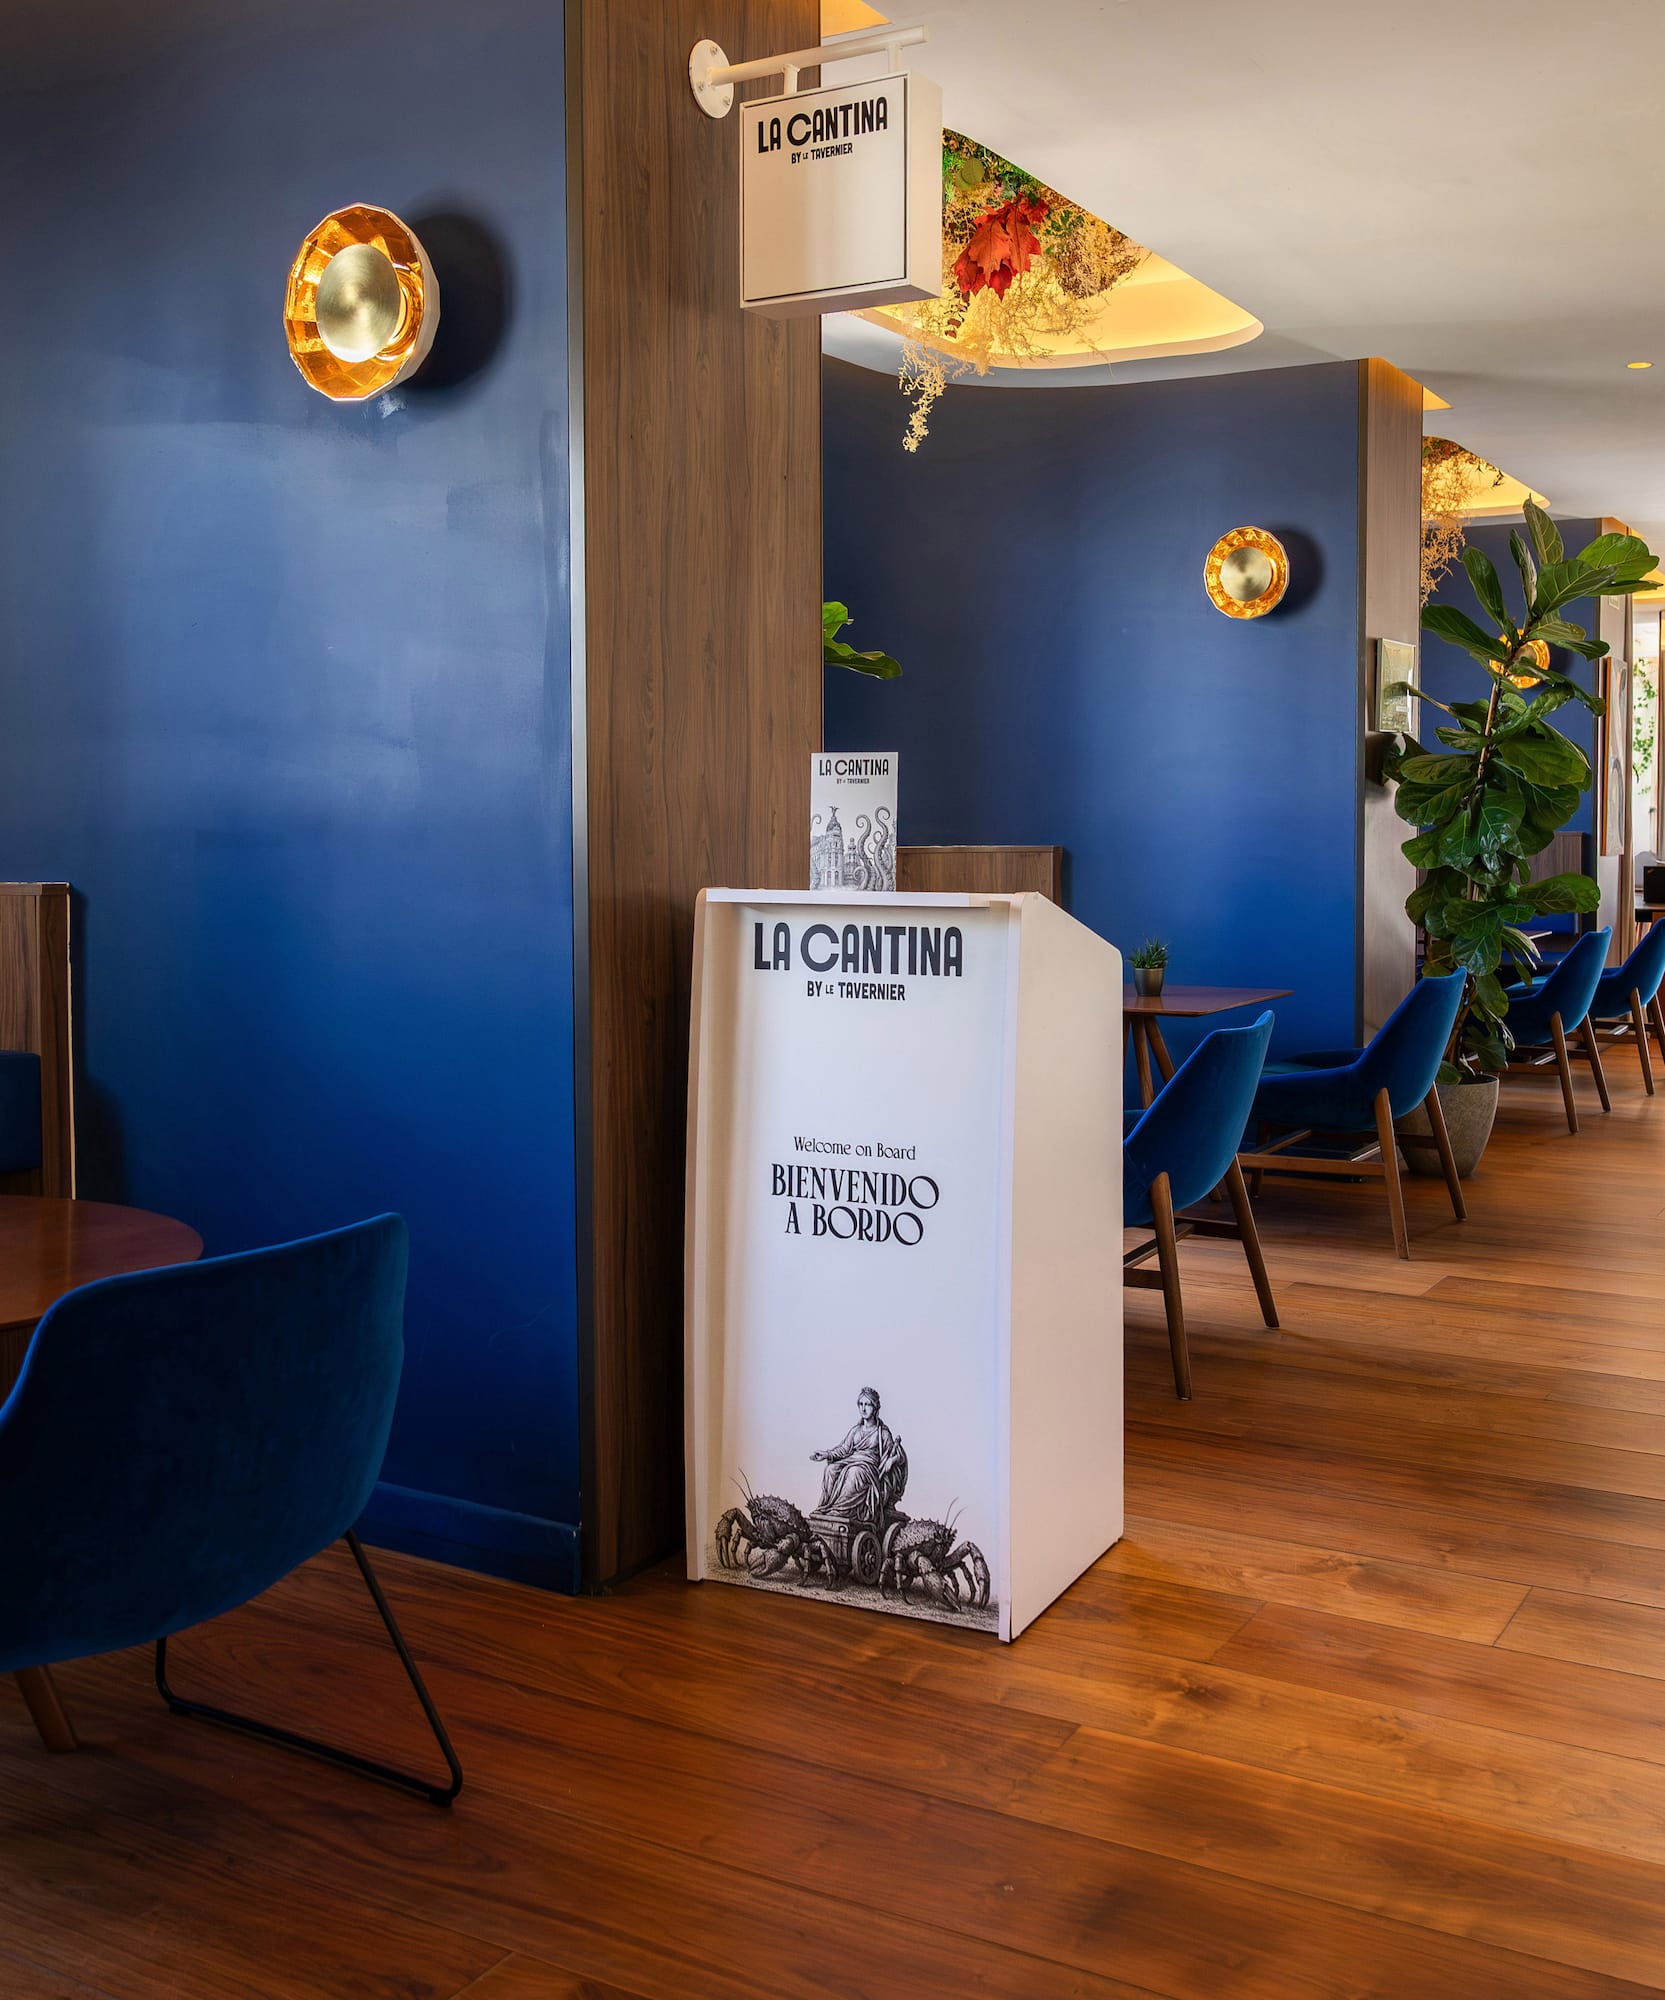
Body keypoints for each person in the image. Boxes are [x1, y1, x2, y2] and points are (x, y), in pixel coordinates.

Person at [812, 1388, 905, 1519]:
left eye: (867, 1404)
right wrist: (826, 1454)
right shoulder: (855, 1430)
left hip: (869, 1468)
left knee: (854, 1472)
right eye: (861, 1404)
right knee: (830, 1470)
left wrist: (891, 1460)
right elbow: (844, 1449)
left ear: (875, 1407)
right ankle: (825, 1507)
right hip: (852, 1461)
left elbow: (899, 1456)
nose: (863, 1408)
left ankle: (840, 1510)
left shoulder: (882, 1433)